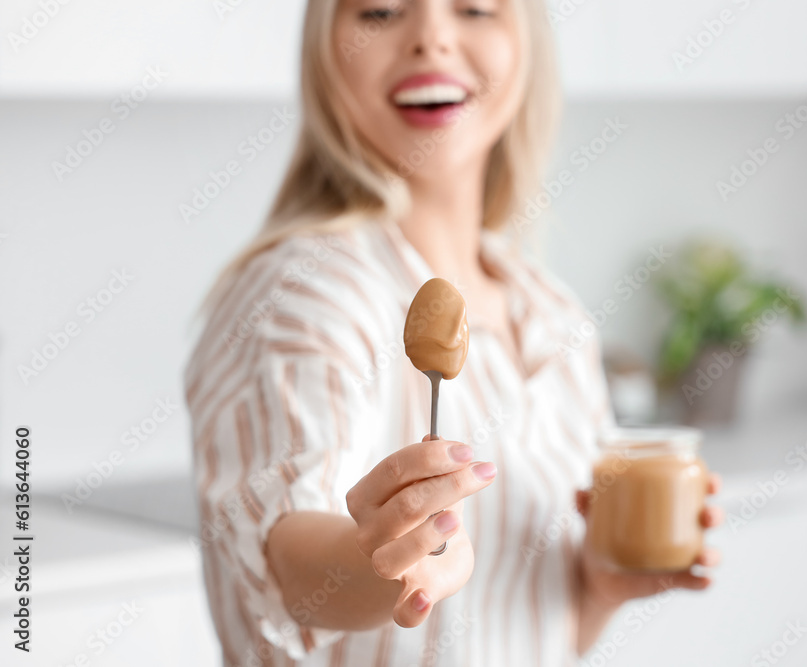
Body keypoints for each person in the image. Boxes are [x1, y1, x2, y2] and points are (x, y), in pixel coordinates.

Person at [183, 0, 724, 665]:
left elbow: (533, 637)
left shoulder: (552, 315)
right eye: (380, 11)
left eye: (475, 8)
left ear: (526, 42)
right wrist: (383, 557)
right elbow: (285, 569)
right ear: (325, 53)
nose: (432, 38)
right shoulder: (303, 293)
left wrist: (600, 591)